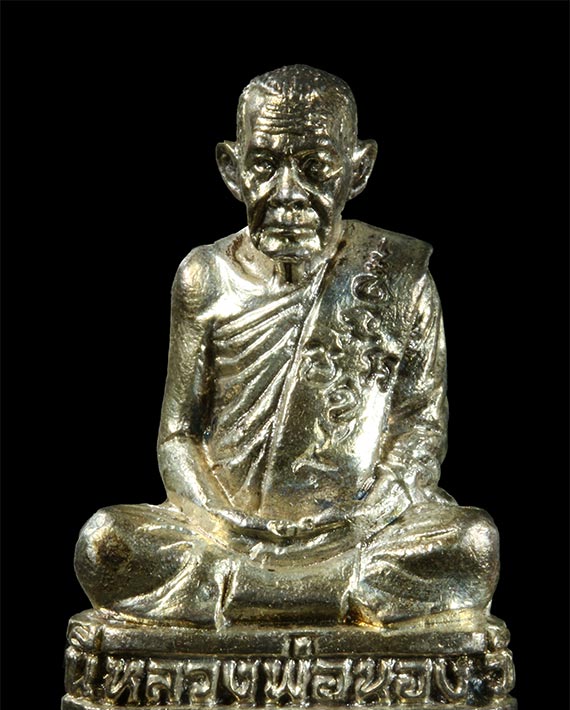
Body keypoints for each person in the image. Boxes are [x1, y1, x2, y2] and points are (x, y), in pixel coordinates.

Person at [74, 65, 499, 629]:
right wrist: (218, 519)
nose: (288, 193)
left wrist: (367, 516)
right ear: (232, 170)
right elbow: (179, 434)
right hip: (226, 534)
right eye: (265, 165)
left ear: (357, 170)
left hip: (358, 534)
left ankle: (245, 598)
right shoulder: (204, 277)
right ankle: (330, 598)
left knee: (471, 544)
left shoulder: (397, 275)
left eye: (316, 168)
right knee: (107, 542)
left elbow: (420, 430)